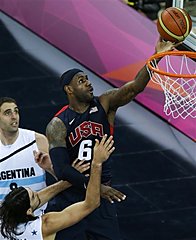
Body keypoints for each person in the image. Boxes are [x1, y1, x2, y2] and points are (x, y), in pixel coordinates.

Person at [45, 38, 177, 240]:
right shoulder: (58, 124)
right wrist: (97, 187)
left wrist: (156, 57)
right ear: (68, 90)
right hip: (71, 199)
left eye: (87, 79)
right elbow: (62, 170)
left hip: (100, 199)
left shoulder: (105, 103)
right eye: (81, 81)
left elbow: (133, 88)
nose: (88, 83)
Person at [0, 135, 115, 240]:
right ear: (29, 211)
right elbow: (91, 203)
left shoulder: (3, 221)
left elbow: (40, 197)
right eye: (34, 196)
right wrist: (97, 163)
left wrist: (70, 178)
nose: (38, 194)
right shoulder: (45, 225)